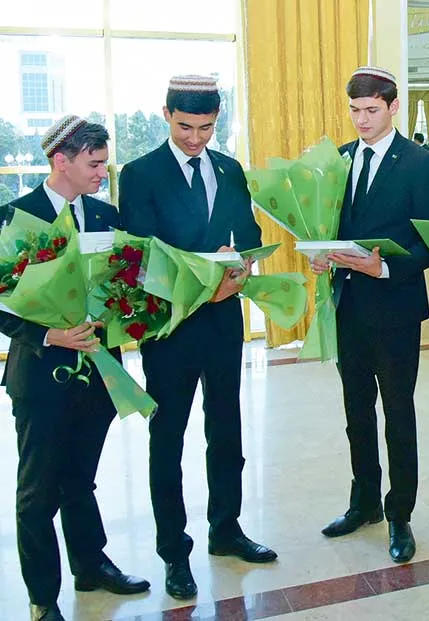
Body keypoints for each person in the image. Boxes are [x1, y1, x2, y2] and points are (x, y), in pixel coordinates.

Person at [118, 75, 275, 601]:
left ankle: (226, 528)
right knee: (168, 439)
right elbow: (141, 256)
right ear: (165, 115)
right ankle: (173, 551)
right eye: (185, 127)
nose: (195, 138)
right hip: (171, 327)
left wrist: (242, 265)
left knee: (226, 429)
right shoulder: (140, 174)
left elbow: (248, 236)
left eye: (206, 128)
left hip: (224, 322)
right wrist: (204, 287)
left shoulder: (229, 169)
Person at [0, 116, 150, 621]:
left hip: (99, 372)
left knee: (81, 479)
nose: (103, 174)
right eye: (94, 164)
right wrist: (50, 334)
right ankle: (43, 597)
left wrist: (125, 307)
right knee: (38, 491)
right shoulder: (15, 217)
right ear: (61, 161)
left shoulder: (107, 216)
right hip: (40, 375)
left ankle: (91, 565)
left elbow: (125, 280)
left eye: (105, 163)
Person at [311, 66, 429, 564]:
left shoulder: (419, 163)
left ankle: (399, 513)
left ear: (393, 107)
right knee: (356, 411)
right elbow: (328, 225)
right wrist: (321, 253)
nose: (361, 120)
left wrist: (384, 266)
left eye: (371, 110)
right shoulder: (340, 161)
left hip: (395, 308)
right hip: (348, 306)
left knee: (398, 413)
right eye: (354, 110)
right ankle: (363, 501)